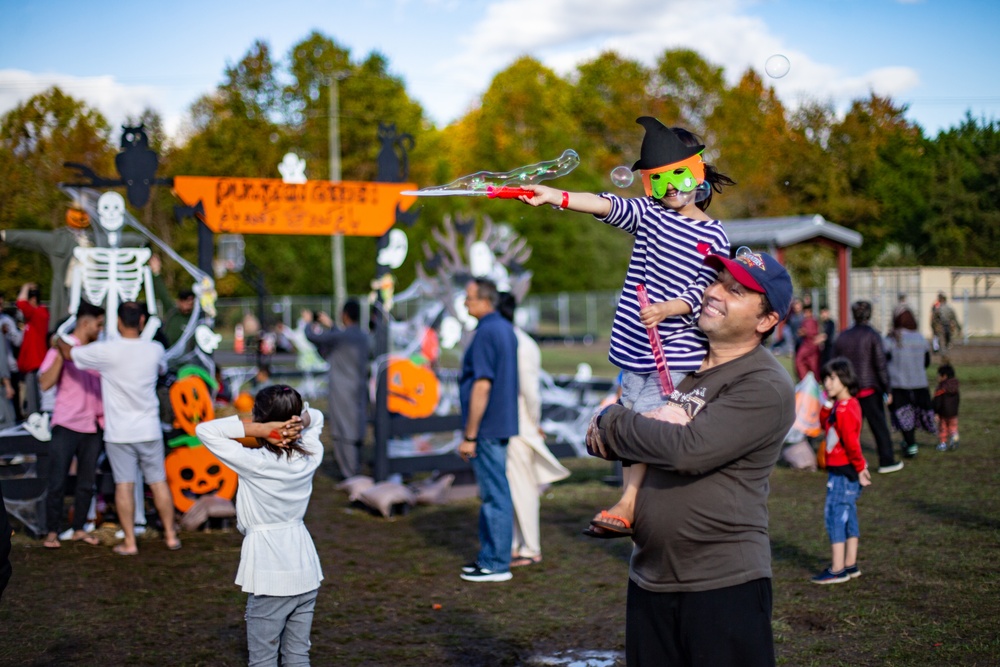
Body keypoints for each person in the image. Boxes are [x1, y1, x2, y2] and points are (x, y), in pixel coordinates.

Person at [519, 117, 733, 538]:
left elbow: (704, 288)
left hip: (676, 350)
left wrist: (670, 308)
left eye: (678, 176)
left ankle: (630, 504)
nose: (670, 189)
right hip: (637, 348)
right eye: (659, 180)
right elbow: (605, 204)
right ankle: (638, 505)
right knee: (631, 419)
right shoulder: (649, 215)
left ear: (698, 173)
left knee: (647, 424)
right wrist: (555, 196)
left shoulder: (714, 234)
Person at [584, 249, 794, 667]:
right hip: (650, 580)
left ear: (766, 320)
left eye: (736, 291)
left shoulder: (763, 383)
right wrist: (627, 429)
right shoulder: (688, 371)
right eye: (716, 281)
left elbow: (687, 450)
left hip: (722, 586)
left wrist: (611, 420)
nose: (714, 293)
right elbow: (633, 440)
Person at [196, 385, 324, 667]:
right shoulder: (311, 455)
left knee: (263, 660)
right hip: (306, 568)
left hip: (270, 573)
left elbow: (205, 430)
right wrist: (298, 423)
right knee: (298, 656)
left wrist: (262, 430)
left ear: (259, 419)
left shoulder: (254, 462)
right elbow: (317, 417)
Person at [59, 301, 180, 555]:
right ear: (142, 321)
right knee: (158, 482)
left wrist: (56, 340)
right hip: (149, 429)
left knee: (124, 485)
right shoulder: (154, 349)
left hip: (119, 433)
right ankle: (170, 536)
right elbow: (162, 369)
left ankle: (130, 542)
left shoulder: (107, 350)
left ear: (117, 322)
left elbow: (70, 354)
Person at [496, 292, 570, 567]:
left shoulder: (522, 344)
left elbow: (530, 390)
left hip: (520, 425)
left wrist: (533, 422)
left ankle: (529, 547)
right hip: (508, 423)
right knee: (512, 486)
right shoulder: (511, 340)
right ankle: (516, 544)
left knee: (523, 487)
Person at [458, 278, 519, 583]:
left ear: (485, 301)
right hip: (500, 423)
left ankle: (496, 563)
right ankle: (490, 558)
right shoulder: (505, 328)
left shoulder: (486, 332)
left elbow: (482, 385)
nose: (465, 302)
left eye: (469, 298)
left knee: (494, 495)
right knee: (496, 492)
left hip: (487, 426)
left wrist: (470, 435)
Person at [39, 300, 106, 549]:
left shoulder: (97, 352)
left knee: (86, 483)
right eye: (98, 324)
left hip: (93, 425)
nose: (101, 329)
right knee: (57, 480)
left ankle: (78, 528)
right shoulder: (62, 348)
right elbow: (45, 383)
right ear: (85, 323)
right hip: (66, 423)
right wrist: (60, 351)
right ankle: (52, 531)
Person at [812, 358, 872, 584]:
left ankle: (837, 569)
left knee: (834, 515)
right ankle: (850, 563)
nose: (827, 383)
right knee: (848, 513)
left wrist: (860, 468)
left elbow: (851, 443)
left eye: (832, 378)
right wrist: (827, 404)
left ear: (845, 379)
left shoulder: (846, 409)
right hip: (843, 470)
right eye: (825, 379)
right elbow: (824, 424)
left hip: (843, 472)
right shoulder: (844, 404)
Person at [303, 299, 369, 480]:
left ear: (345, 315)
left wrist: (308, 322)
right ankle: (355, 470)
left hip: (342, 391)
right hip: (359, 390)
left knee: (343, 431)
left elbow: (313, 337)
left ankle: (350, 474)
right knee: (356, 429)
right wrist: (331, 325)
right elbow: (332, 344)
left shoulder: (342, 337)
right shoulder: (363, 336)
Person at [834, 301, 902, 474]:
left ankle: (843, 462)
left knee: (848, 429)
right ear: (869, 315)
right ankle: (886, 461)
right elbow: (881, 365)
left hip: (849, 390)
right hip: (869, 390)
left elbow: (834, 362)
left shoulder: (843, 336)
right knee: (879, 427)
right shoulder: (873, 335)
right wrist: (887, 389)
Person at [884, 308, 935, 458]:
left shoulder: (892, 339)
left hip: (899, 384)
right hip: (919, 384)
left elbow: (884, 360)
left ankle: (910, 444)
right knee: (916, 414)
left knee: (904, 415)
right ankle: (910, 442)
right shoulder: (920, 338)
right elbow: (926, 362)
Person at [15, 282, 49, 417]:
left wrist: (25, 287)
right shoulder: (33, 318)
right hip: (31, 364)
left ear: (33, 300)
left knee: (34, 402)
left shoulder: (38, 313)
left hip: (35, 363)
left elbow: (21, 303)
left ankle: (35, 419)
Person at [932, 364, 960, 452]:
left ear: (944, 376)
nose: (937, 377)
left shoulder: (941, 388)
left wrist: (935, 412)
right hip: (954, 413)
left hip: (943, 413)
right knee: (953, 428)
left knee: (943, 429)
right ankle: (954, 438)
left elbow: (937, 401)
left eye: (939, 375)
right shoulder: (955, 387)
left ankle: (943, 444)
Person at [794, 303, 824, 381]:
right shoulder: (806, 321)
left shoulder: (812, 321)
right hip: (807, 345)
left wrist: (803, 332)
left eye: (807, 312)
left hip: (811, 345)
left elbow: (808, 332)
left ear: (810, 312)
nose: (805, 314)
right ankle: (806, 379)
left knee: (813, 365)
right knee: (803, 362)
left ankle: (809, 380)